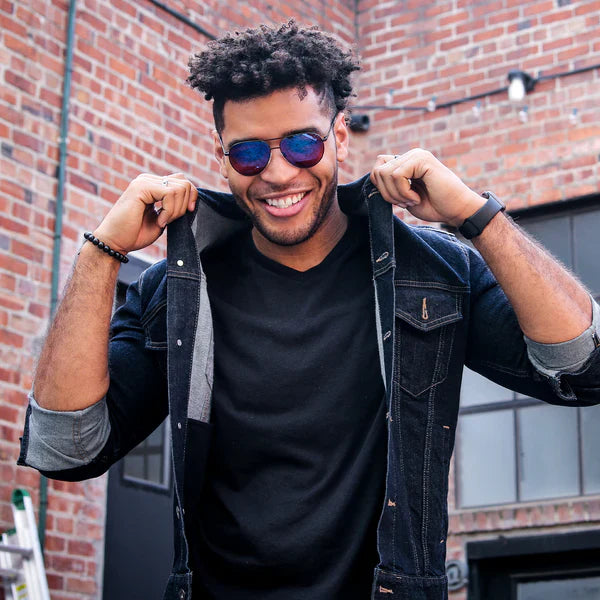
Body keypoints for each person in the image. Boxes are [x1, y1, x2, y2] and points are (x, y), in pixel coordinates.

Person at [18, 20, 600, 600]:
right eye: (248, 153)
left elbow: (584, 370)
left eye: (302, 144)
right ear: (221, 156)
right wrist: (102, 251)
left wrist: (476, 217)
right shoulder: (175, 292)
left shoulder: (430, 272)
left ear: (340, 137)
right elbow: (66, 450)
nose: (277, 173)